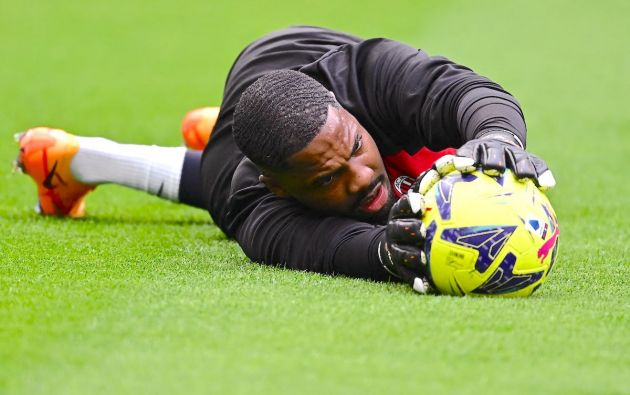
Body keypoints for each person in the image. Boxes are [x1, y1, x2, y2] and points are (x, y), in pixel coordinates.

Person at [15, 26, 555, 293]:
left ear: (345, 113)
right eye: (328, 176)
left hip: (302, 50)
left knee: (433, 154)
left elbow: (468, 93)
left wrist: (499, 137)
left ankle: (238, 130)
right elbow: (328, 246)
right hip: (240, 154)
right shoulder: (254, 204)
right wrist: (390, 254)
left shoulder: (370, 74)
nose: (363, 175)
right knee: (216, 185)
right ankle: (67, 163)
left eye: (354, 149)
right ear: (278, 186)